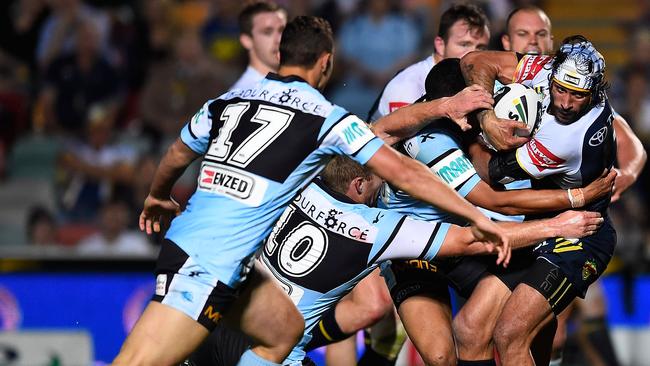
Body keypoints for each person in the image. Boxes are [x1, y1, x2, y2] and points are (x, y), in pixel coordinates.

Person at [112, 16, 506, 366]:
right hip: (209, 262)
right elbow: (403, 171)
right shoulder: (325, 118)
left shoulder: (227, 101)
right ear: (326, 62)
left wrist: (158, 195)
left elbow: (179, 151)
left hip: (224, 261)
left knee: (284, 332)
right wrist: (473, 214)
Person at [187, 154, 603, 366]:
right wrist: (554, 226)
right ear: (357, 185)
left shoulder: (297, 185)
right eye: (377, 181)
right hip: (268, 352)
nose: (385, 186)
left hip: (216, 327)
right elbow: (471, 241)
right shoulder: (376, 228)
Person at [453, 7, 647, 366]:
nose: (565, 102)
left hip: (579, 236)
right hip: (541, 223)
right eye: (561, 89)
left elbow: (490, 178)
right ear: (551, 72)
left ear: (594, 93)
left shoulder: (569, 137)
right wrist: (486, 114)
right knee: (469, 326)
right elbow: (476, 60)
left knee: (509, 334)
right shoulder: (545, 68)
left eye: (578, 96)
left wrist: (478, 134)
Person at [307, 5, 494, 363]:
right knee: (369, 307)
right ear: (439, 44)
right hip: (381, 214)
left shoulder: (482, 82)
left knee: (394, 330)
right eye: (464, 44)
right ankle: (276, 340)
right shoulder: (410, 86)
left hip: (432, 222)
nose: (474, 55)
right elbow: (389, 148)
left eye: (481, 46)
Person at [230, 1, 287, 90]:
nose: (279, 39)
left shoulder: (300, 86)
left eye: (282, 30)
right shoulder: (240, 95)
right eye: (267, 32)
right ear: (247, 41)